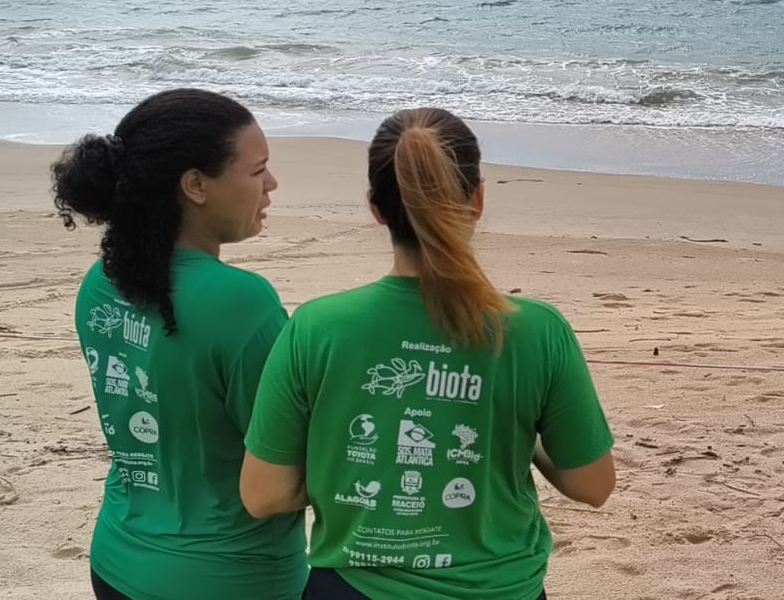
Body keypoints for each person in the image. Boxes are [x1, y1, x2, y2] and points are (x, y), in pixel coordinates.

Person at [241, 107, 615, 600]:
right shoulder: (537, 329)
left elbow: (263, 494)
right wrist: (522, 441)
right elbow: (592, 485)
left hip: (353, 587)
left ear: (375, 208)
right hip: (500, 588)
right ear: (477, 199)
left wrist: (354, 474)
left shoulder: (317, 326)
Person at [52, 88, 305, 600]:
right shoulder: (241, 302)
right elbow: (279, 478)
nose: (271, 184)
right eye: (258, 171)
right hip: (227, 578)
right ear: (195, 185)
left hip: (116, 559)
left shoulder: (102, 281)